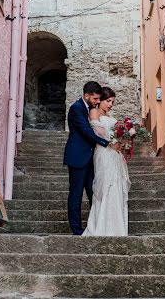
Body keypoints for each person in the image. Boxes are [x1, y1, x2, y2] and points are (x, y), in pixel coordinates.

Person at [63, 81, 121, 235]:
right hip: (78, 156)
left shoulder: (90, 108)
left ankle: (97, 225)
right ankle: (76, 230)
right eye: (95, 99)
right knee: (76, 193)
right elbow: (86, 131)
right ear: (86, 95)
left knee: (93, 192)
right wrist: (107, 143)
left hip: (91, 157)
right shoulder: (76, 108)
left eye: (98, 99)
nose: (97, 101)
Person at [83, 86, 131, 236]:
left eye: (113, 102)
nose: (110, 104)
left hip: (115, 154)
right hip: (103, 152)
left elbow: (117, 132)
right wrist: (112, 141)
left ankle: (116, 227)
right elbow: (98, 131)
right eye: (108, 101)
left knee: (116, 184)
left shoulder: (112, 117)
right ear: (101, 100)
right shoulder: (94, 112)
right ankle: (101, 225)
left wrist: (124, 139)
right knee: (105, 184)